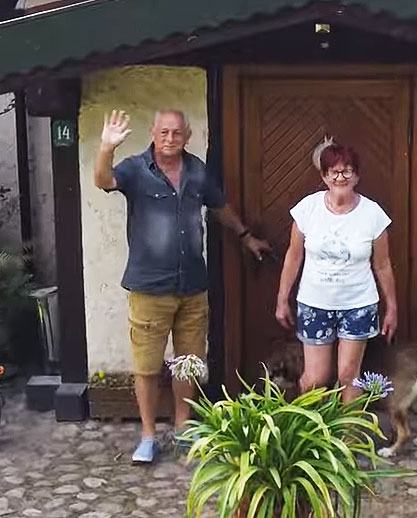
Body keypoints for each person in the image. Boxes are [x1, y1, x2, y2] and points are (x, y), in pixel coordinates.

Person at [94, 109, 270, 463]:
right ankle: (147, 436)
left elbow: (219, 206)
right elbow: (103, 180)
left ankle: (183, 428)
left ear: (187, 136)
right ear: (153, 133)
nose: (170, 138)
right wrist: (107, 147)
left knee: (188, 363)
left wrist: (245, 236)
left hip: (192, 286)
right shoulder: (135, 169)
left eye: (177, 132)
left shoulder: (197, 170)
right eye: (164, 132)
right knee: (146, 366)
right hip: (149, 288)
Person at [275, 138, 397, 403]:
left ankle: (350, 429)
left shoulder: (373, 214)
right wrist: (282, 299)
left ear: (357, 176)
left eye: (347, 171)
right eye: (334, 171)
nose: (340, 177)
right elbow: (293, 257)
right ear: (324, 176)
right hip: (314, 303)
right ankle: (307, 425)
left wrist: (392, 307)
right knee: (316, 377)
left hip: (358, 304)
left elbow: (383, 264)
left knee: (348, 374)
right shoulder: (307, 209)